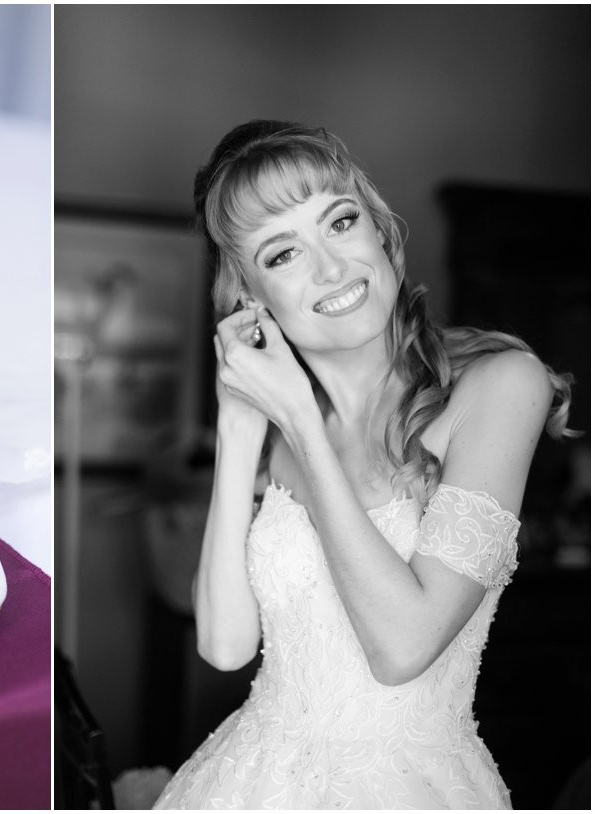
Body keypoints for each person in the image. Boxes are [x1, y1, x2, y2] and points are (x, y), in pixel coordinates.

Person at [154, 121, 575, 810]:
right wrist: (239, 423)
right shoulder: (277, 422)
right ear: (251, 296)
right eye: (283, 253)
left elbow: (403, 648)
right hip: (252, 779)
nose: (331, 267)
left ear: (380, 230)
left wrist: (297, 421)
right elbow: (227, 646)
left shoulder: (499, 386)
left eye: (340, 222)